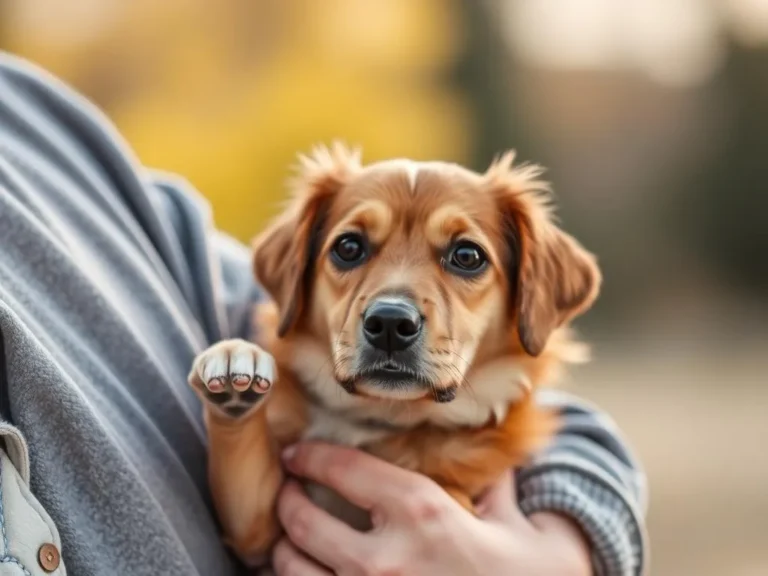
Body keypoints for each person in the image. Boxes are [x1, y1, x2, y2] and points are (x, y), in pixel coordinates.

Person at [0, 52, 647, 576]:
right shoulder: (279, 407)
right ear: (298, 281)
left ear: (527, 301)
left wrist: (561, 555)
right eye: (352, 248)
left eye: (465, 259)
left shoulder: (48, 144)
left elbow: (588, 441)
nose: (392, 308)